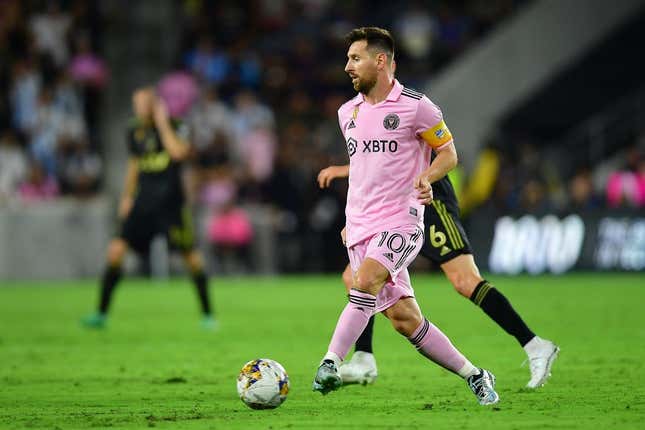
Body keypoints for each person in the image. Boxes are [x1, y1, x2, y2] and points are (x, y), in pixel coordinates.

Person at [318, 94, 558, 392]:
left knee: (464, 280)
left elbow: (432, 155)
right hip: (392, 207)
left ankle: (535, 345)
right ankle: (364, 358)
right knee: (353, 278)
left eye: (356, 58)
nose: (351, 67)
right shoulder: (364, 112)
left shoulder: (410, 108)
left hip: (430, 202)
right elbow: (378, 164)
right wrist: (346, 177)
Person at [312, 27, 499, 405]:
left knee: (363, 281)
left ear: (380, 61)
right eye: (347, 58)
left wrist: (427, 177)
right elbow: (368, 163)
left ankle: (330, 362)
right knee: (405, 321)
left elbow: (448, 153)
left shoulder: (417, 106)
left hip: (401, 222)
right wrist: (351, 208)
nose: (347, 66)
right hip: (361, 226)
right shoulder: (347, 112)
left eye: (355, 58)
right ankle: (476, 375)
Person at [82, 88, 215, 329]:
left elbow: (177, 153)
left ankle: (208, 315)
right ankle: (100, 314)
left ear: (155, 105)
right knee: (115, 251)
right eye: (136, 104)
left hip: (171, 205)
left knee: (191, 258)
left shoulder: (177, 126)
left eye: (142, 104)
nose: (138, 109)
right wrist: (127, 197)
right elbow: (134, 164)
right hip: (142, 203)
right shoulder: (134, 130)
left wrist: (163, 123)